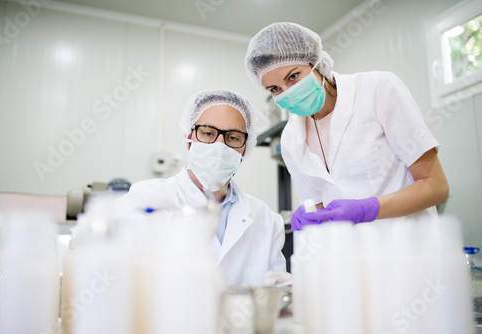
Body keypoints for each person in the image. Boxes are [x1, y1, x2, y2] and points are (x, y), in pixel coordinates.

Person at [244, 22, 449, 229]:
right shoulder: (291, 137)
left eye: (293, 76)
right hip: (348, 256)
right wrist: (310, 217)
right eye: (274, 88)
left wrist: (366, 209)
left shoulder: (378, 90)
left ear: (315, 63)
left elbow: (436, 186)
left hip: (409, 250)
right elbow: (318, 207)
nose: (287, 91)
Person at [116, 89, 286, 287]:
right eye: (207, 133)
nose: (220, 146)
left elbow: (275, 289)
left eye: (233, 137)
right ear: (189, 138)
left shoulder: (266, 219)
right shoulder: (147, 199)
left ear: (245, 148)